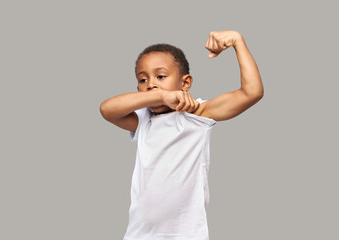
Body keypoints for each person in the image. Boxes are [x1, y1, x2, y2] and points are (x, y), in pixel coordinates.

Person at [100, 30, 264, 240]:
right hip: (139, 234)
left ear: (185, 83)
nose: (150, 84)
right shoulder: (142, 120)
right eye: (143, 80)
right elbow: (107, 109)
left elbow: (252, 92)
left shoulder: (196, 114)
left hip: (186, 235)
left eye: (160, 76)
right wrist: (160, 94)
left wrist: (237, 42)